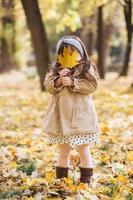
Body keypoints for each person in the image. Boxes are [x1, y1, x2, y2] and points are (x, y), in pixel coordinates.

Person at [42, 35, 100, 184]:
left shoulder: (86, 68)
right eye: (63, 53)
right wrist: (59, 80)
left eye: (74, 52)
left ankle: (85, 181)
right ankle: (61, 181)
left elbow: (92, 86)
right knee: (63, 151)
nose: (68, 56)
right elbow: (48, 87)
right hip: (61, 120)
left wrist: (74, 82)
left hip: (81, 119)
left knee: (84, 151)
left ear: (81, 53)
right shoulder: (55, 70)